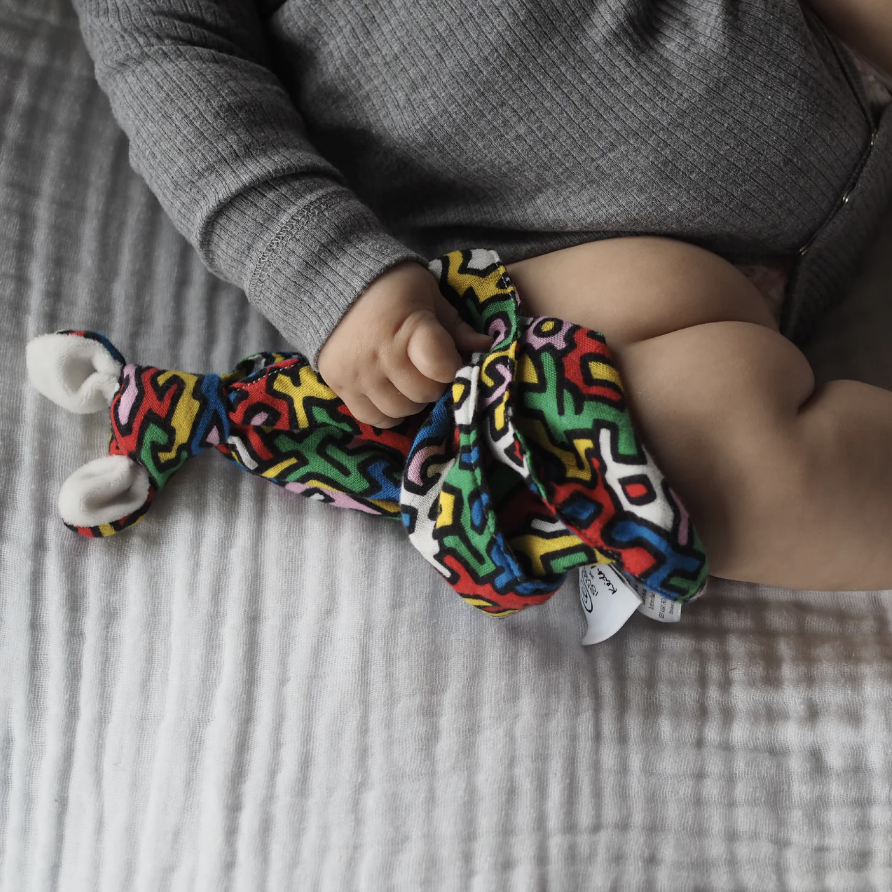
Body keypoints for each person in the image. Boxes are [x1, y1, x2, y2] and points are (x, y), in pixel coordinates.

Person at [70, 0, 892, 591]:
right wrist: (341, 281)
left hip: (814, 38)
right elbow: (186, 97)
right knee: (685, 452)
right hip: (581, 250)